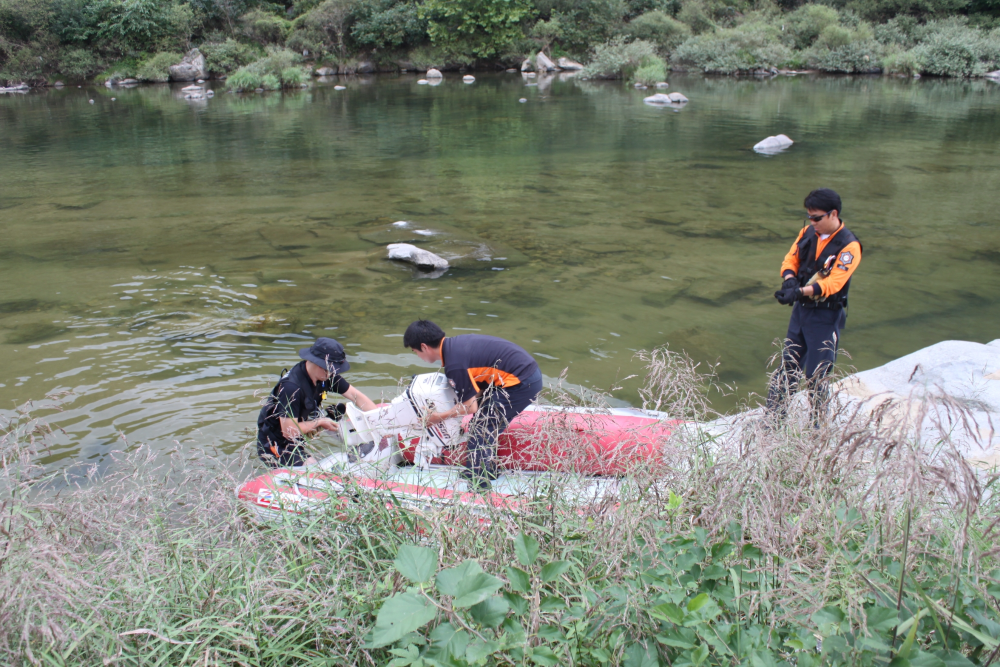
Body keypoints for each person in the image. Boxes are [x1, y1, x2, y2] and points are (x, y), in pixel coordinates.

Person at [403, 320, 543, 490]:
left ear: (424, 347)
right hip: (521, 373)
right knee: (486, 419)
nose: (418, 356)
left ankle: (479, 486)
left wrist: (437, 418)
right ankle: (487, 470)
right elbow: (474, 389)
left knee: (481, 427)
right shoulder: (454, 347)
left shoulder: (454, 365)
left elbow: (471, 407)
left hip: (521, 382)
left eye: (415, 351)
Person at [767, 188, 863, 425]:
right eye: (809, 217)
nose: (812, 222)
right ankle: (773, 419)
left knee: (816, 374)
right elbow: (791, 258)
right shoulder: (807, 233)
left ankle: (817, 425)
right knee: (788, 365)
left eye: (817, 218)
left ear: (833, 214)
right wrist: (790, 280)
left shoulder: (849, 246)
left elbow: (833, 283)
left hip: (825, 314)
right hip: (801, 311)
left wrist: (800, 291)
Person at [256, 337, 377, 468]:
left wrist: (378, 419)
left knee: (340, 410)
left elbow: (356, 396)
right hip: (277, 441)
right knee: (313, 468)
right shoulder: (292, 388)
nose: (332, 374)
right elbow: (289, 432)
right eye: (329, 369)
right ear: (317, 363)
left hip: (300, 425)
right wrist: (320, 422)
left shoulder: (326, 376)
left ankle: (316, 428)